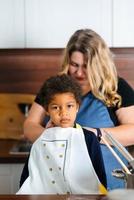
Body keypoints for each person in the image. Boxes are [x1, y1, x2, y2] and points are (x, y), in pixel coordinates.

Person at [23, 29, 134, 190]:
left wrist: (89, 135)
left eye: (86, 66)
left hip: (109, 184)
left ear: (99, 64)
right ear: (67, 60)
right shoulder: (55, 86)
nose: (79, 73)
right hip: (56, 185)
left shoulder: (116, 87)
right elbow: (29, 125)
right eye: (74, 65)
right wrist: (54, 136)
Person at [17, 74, 107, 194]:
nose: (63, 113)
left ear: (77, 108)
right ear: (47, 111)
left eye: (69, 106)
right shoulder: (41, 140)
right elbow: (27, 178)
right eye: (55, 107)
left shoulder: (88, 138)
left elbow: (99, 177)